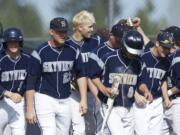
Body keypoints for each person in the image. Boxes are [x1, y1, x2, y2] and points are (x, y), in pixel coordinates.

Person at [88, 30, 152, 135]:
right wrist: (104, 90)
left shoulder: (139, 62)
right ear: (123, 46)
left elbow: (141, 82)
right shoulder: (108, 58)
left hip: (129, 107)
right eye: (131, 51)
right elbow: (94, 76)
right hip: (110, 105)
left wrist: (145, 90)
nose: (133, 54)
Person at [31, 17, 87, 135]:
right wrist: (29, 108)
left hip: (65, 98)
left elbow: (81, 75)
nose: (63, 34)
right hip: (45, 97)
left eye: (65, 31)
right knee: (49, 132)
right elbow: (31, 82)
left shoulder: (73, 50)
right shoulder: (40, 51)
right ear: (51, 32)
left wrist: (83, 99)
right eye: (59, 31)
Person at [65, 10, 101, 135]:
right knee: (78, 127)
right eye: (89, 26)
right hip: (73, 93)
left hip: (93, 92)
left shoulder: (95, 42)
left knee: (93, 128)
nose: (92, 29)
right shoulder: (67, 45)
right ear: (80, 27)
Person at [134, 31, 175, 135]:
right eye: (164, 47)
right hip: (141, 101)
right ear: (157, 43)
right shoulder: (142, 56)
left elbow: (163, 80)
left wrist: (166, 98)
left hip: (156, 102)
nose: (167, 50)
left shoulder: (167, 62)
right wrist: (137, 95)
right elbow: (133, 79)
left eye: (169, 48)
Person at [0, 27, 36, 135]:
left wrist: (30, 107)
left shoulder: (28, 59)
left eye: (16, 41)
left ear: (20, 42)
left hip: (19, 103)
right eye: (10, 42)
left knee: (19, 132)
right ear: (5, 43)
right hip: (2, 103)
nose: (13, 44)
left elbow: (30, 83)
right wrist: (9, 94)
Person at [161, 26, 180, 135]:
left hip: (177, 103)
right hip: (168, 102)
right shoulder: (168, 55)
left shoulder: (178, 56)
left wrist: (167, 93)